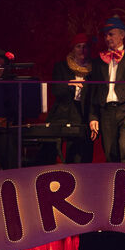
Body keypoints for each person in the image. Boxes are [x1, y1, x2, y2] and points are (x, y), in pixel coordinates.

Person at [88, 17, 125, 162]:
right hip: (106, 112)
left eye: (111, 34)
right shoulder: (98, 61)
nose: (107, 38)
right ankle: (114, 184)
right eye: (105, 35)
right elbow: (93, 91)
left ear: (122, 35)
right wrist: (93, 116)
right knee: (110, 153)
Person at [47, 33, 95, 163]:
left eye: (85, 47)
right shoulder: (62, 67)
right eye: (78, 46)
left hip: (83, 113)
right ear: (73, 49)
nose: (82, 50)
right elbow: (55, 90)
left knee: (81, 154)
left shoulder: (94, 69)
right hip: (63, 113)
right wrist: (69, 85)